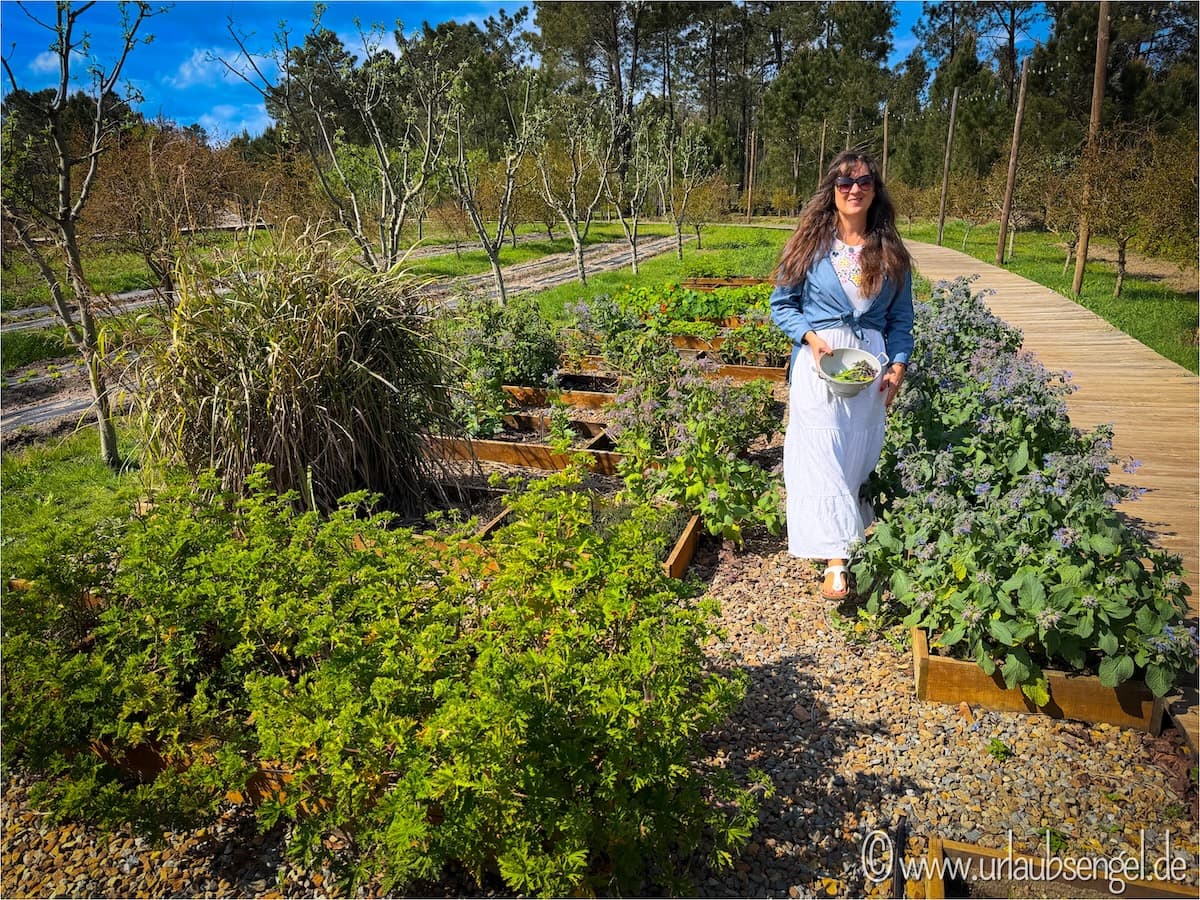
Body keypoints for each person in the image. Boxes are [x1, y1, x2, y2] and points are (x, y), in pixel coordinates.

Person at [769, 150, 914, 600]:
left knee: (857, 454)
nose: (855, 190)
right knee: (821, 453)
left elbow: (901, 320)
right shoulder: (809, 245)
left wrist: (897, 366)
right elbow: (782, 306)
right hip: (819, 364)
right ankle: (836, 559)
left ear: (875, 191)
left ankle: (849, 531)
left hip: (868, 367)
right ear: (831, 192)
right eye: (845, 183)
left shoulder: (891, 252)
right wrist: (811, 340)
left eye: (865, 182)